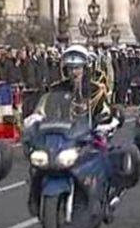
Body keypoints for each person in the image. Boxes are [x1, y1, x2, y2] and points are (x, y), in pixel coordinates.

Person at [24, 44, 119, 216]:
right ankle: (35, 194)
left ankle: (107, 195)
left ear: (85, 68)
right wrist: (34, 120)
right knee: (37, 161)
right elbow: (43, 111)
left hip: (87, 135)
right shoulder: (56, 89)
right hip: (64, 136)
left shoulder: (95, 89)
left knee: (104, 154)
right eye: (70, 68)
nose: (74, 72)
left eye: (78, 68)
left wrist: (107, 122)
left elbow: (105, 111)